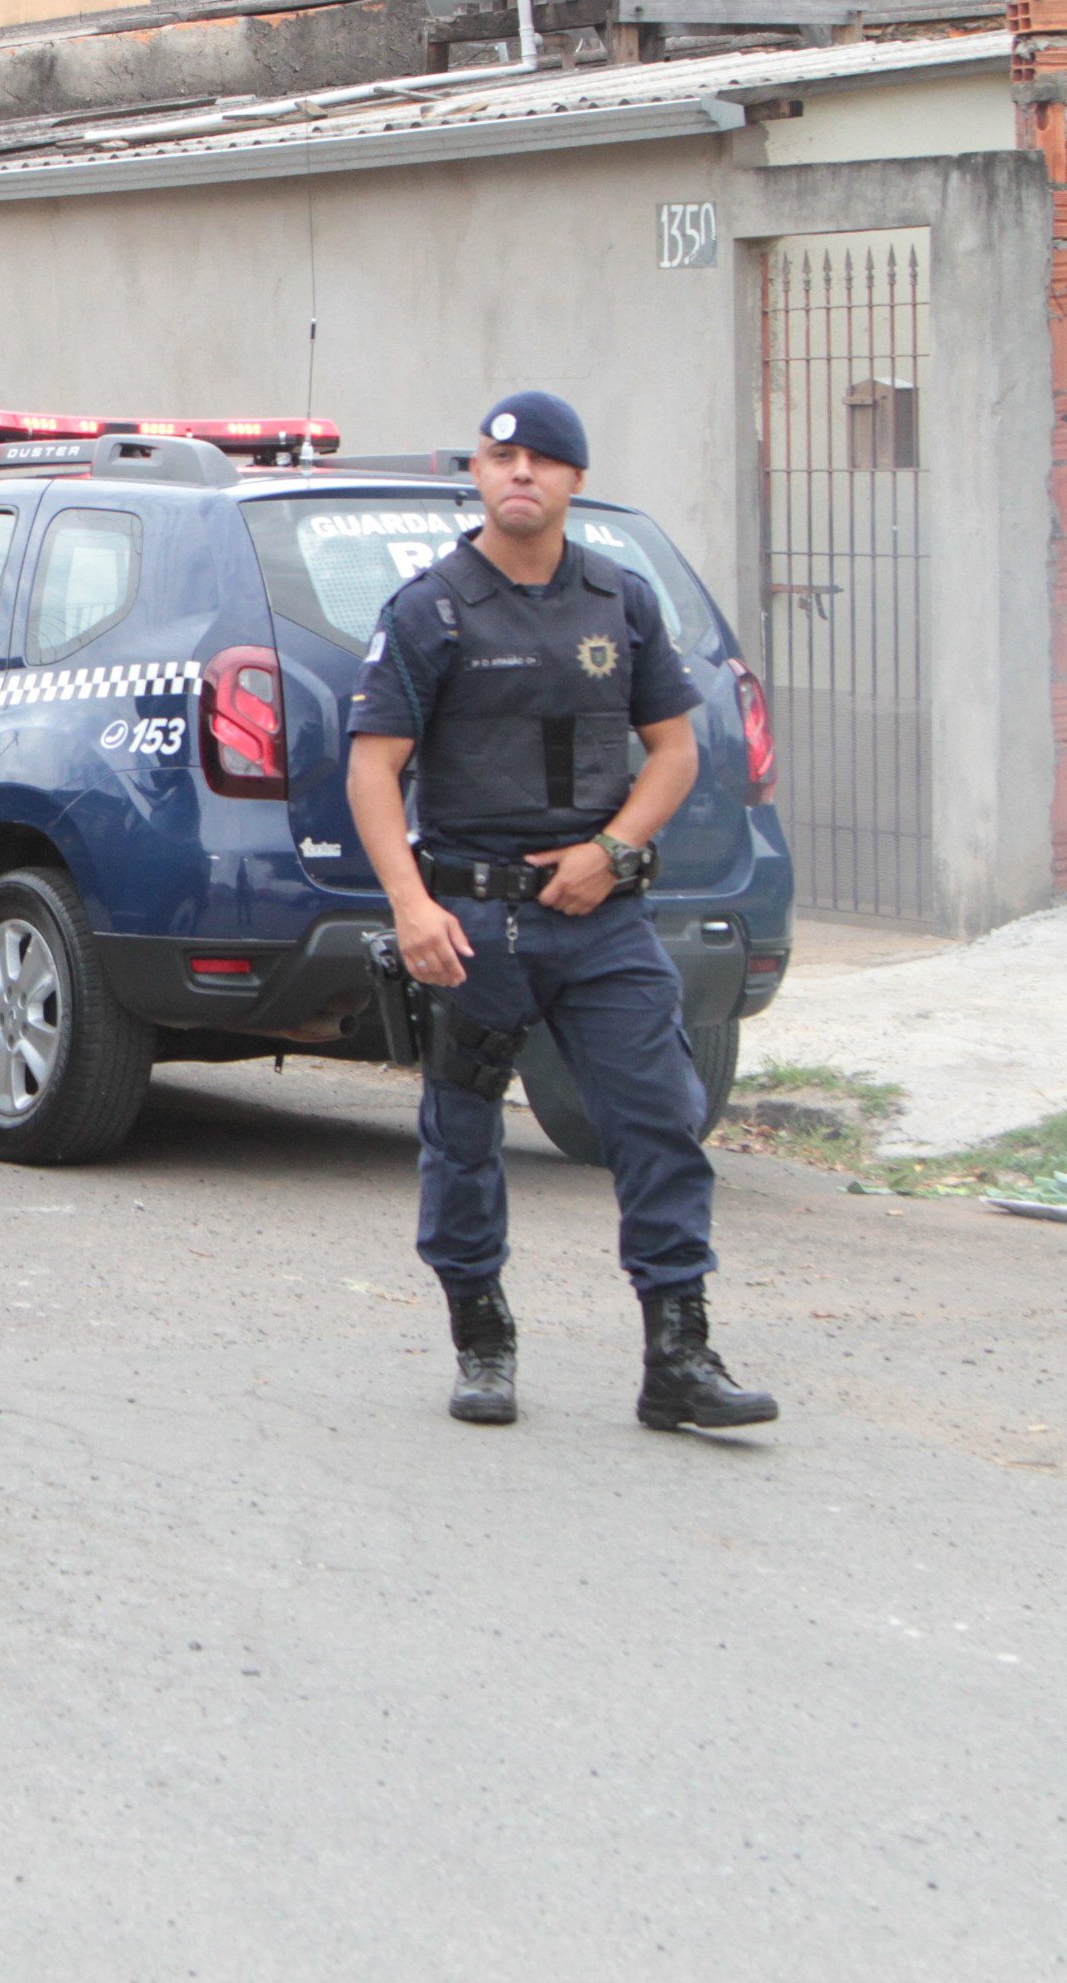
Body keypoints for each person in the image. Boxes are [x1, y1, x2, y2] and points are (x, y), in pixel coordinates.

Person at [344, 390, 775, 1433]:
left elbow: (675, 750)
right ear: (479, 479)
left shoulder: (620, 601)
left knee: (661, 1119)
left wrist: (612, 850)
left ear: (576, 480)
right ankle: (482, 1342)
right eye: (501, 460)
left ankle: (679, 1355)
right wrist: (410, 904)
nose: (520, 475)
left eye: (542, 460)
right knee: (462, 1132)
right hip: (473, 919)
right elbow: (372, 769)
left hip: (602, 917)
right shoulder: (429, 609)